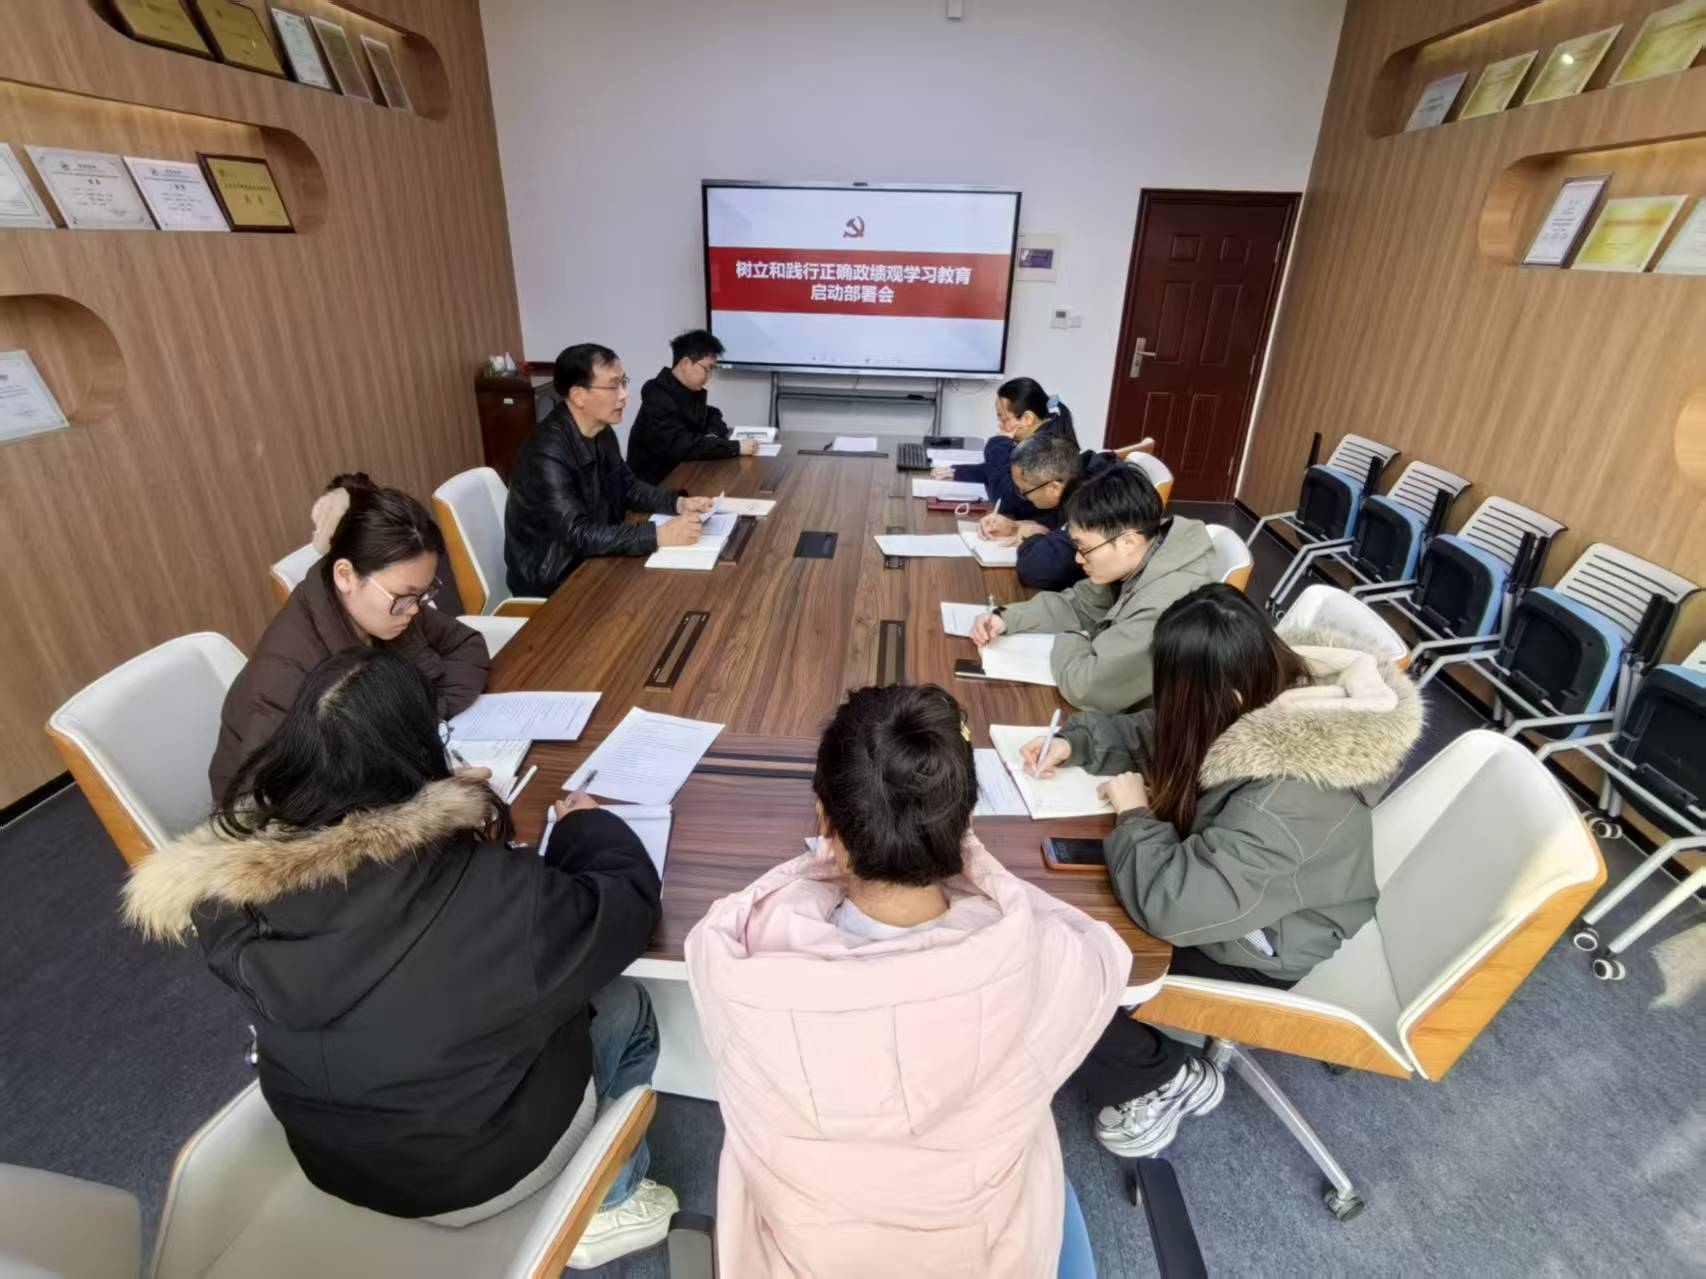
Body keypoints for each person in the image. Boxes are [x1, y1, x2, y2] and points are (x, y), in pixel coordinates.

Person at [128, 648, 678, 1268]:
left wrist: (444, 815)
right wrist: (585, 828)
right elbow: (623, 910)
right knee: (625, 1005)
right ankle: (611, 1205)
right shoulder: (491, 893)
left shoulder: (234, 896)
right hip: (474, 1176)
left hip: (330, 1161)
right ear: (416, 753)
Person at [686, 684, 1130, 1278]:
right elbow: (1105, 954)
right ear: (964, 826)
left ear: (827, 822)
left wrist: (823, 862)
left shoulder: (737, 958)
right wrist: (974, 863)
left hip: (804, 1261)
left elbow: (730, 918)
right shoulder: (1038, 958)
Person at [1020, 585, 1422, 1157]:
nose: (1167, 705)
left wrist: (1135, 815)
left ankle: (1164, 1077)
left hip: (1262, 943)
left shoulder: (1289, 798)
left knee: (1054, 968)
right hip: (1238, 887)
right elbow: (1168, 729)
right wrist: (1077, 742)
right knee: (1055, 920)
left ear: (1227, 698)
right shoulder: (1276, 687)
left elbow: (1175, 908)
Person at [208, 473, 488, 802]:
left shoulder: (392, 611)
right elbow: (268, 803)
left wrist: (423, 717)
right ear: (345, 576)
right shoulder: (285, 673)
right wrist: (413, 779)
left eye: (423, 595)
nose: (414, 610)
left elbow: (466, 646)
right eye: (405, 596)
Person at [969, 464, 1216, 712]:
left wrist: (1075, 637)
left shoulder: (1167, 606)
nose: (1078, 558)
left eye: (1085, 548)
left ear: (1129, 542)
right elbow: (1080, 604)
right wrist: (1006, 618)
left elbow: (1087, 686)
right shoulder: (1145, 553)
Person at [504, 343, 715, 597]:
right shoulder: (546, 452)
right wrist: (658, 535)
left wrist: (679, 503)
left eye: (624, 382)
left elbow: (629, 488)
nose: (624, 395)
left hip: (593, 557)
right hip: (556, 579)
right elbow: (577, 534)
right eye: (614, 386)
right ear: (578, 395)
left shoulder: (601, 431)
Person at [976, 430, 1119, 592]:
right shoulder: (1078, 474)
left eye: (1024, 491)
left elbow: (1036, 570)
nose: (1023, 496)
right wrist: (1015, 526)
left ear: (1054, 488)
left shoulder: (1095, 501)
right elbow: (1059, 520)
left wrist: (1034, 535)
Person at [931, 377, 1076, 522]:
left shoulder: (1046, 449)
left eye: (1003, 418)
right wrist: (959, 472)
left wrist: (999, 443)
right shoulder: (1041, 436)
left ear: (1027, 418)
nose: (1000, 425)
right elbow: (1002, 469)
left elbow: (1005, 499)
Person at [626, 329, 759, 484]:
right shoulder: (658, 398)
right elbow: (683, 445)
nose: (709, 377)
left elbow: (712, 416)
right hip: (654, 486)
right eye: (707, 369)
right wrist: (735, 447)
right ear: (685, 363)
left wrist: (712, 438)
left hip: (683, 474)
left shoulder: (685, 391)